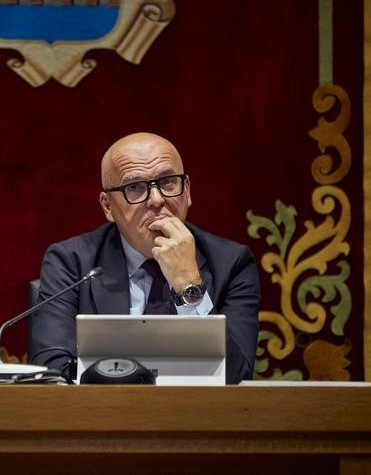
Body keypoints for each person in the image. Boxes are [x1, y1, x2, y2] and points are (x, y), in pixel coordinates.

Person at [28, 132, 260, 384]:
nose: (157, 199)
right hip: (102, 417)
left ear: (187, 191)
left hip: (195, 418)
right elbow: (51, 372)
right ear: (108, 206)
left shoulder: (232, 263)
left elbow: (236, 377)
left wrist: (188, 286)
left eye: (168, 182)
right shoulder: (71, 263)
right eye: (135, 187)